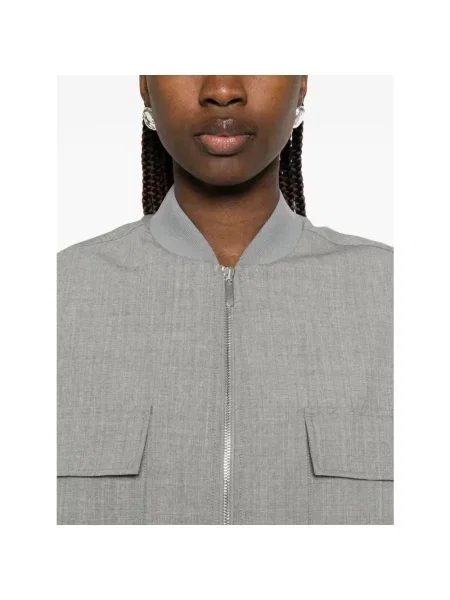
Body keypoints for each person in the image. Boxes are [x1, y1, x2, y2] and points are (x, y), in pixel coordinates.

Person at [57, 75, 393, 525]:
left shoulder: (398, 294)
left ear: (301, 85)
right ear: (145, 86)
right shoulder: (55, 295)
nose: (221, 89)